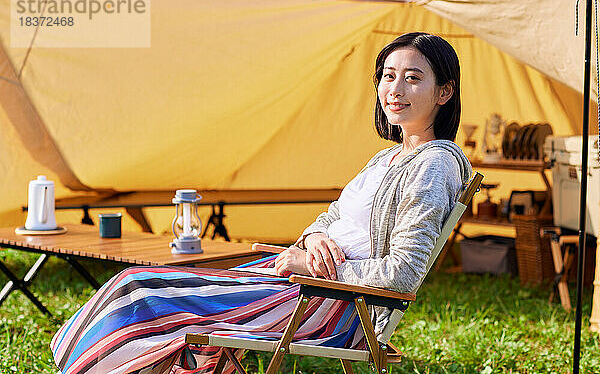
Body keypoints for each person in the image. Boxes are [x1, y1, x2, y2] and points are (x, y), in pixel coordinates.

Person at [51, 32, 472, 374]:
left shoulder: (433, 164)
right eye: (388, 75)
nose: (394, 90)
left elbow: (403, 273)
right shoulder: (388, 157)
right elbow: (336, 217)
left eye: (413, 78)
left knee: (141, 291)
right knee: (140, 284)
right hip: (302, 280)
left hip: (328, 301)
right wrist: (316, 236)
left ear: (443, 92)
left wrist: (317, 266)